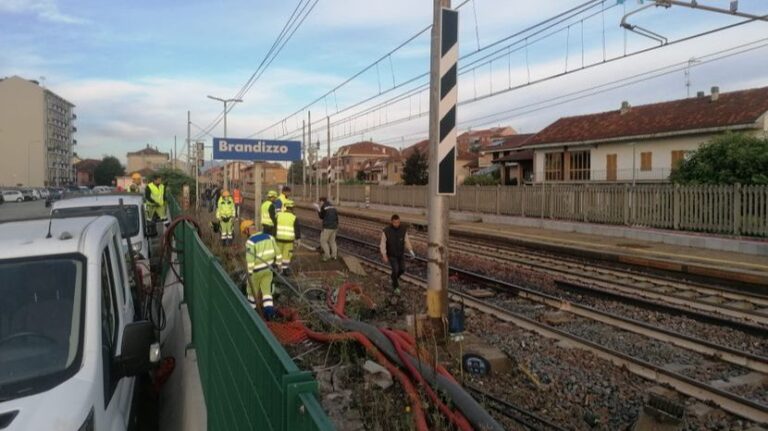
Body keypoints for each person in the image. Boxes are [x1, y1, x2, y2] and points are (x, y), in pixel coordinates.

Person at [245, 223, 282, 319]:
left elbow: (250, 259)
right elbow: (278, 252)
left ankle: (251, 313)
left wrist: (249, 273)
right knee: (267, 292)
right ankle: (270, 313)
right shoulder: (270, 237)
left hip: (256, 272)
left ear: (247, 231)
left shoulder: (250, 242)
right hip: (268, 270)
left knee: (252, 293)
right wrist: (279, 264)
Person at [380, 214, 415, 293]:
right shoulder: (386, 231)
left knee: (402, 269)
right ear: (392, 222)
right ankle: (396, 286)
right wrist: (384, 254)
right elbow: (382, 244)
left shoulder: (403, 230)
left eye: (398, 222)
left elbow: (407, 241)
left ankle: (393, 278)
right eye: (395, 222)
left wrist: (411, 250)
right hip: (392, 255)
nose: (397, 224)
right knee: (395, 270)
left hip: (400, 254)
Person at [275, 200, 301, 275]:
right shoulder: (294, 217)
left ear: (285, 208)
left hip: (278, 238)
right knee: (286, 255)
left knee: (278, 254)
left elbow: (274, 227)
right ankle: (285, 270)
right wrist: (298, 239)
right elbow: (297, 229)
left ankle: (278, 268)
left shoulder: (279, 215)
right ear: (292, 208)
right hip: (289, 240)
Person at [315, 196, 338, 261]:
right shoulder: (332, 207)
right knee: (332, 241)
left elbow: (321, 216)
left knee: (323, 241)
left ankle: (327, 256)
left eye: (320, 202)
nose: (320, 203)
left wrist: (318, 209)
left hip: (327, 227)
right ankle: (334, 256)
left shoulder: (324, 207)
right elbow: (336, 217)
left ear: (322, 201)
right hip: (334, 226)